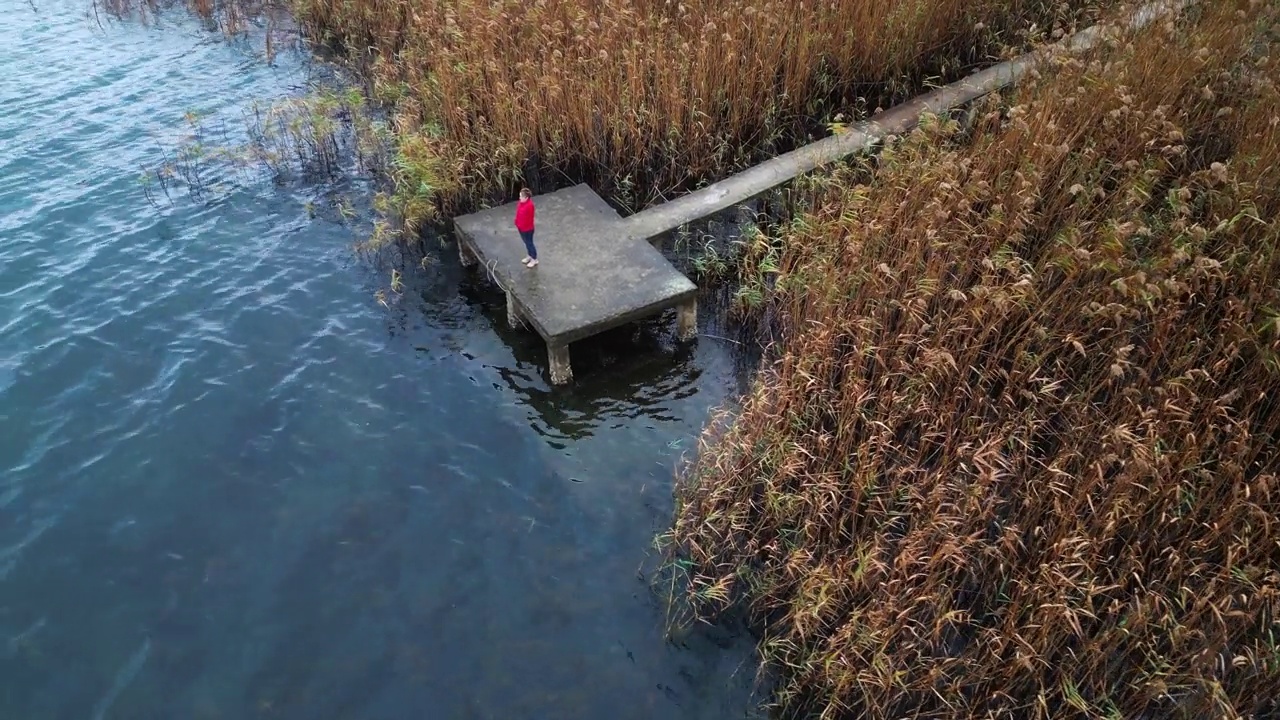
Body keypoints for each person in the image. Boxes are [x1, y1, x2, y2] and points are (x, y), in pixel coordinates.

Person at [514, 188, 537, 268]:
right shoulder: (520, 203)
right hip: (521, 227)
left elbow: (528, 219)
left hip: (527, 229)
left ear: (526, 198)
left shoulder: (530, 206)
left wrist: (523, 226)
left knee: (529, 243)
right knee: (526, 242)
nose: (520, 198)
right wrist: (516, 222)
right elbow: (518, 214)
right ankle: (529, 255)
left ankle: (534, 258)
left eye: (521, 196)